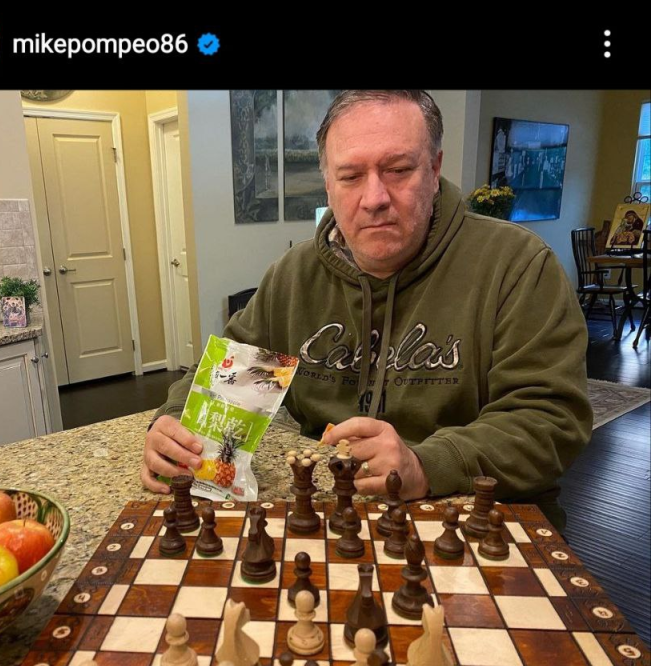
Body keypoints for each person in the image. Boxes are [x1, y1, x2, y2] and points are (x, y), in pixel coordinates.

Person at [144, 90, 591, 524]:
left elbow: (551, 421)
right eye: (351, 176)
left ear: (435, 169)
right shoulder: (293, 276)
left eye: (398, 170)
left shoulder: (518, 266)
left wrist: (426, 464)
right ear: (328, 184)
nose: (374, 198)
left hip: (479, 515)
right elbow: (227, 374)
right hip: (332, 512)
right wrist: (175, 428)